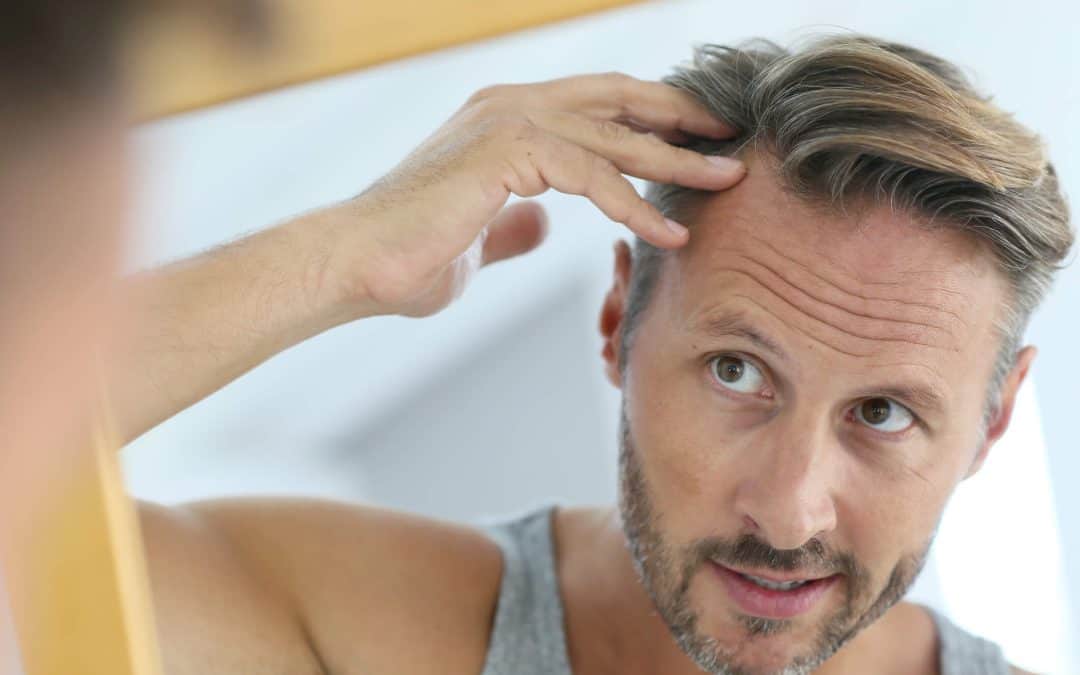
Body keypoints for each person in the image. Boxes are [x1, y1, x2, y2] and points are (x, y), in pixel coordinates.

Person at [0, 5, 1070, 674]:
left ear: (992, 420)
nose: (788, 511)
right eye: (738, 371)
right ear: (617, 323)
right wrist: (344, 256)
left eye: (883, 413)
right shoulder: (365, 629)